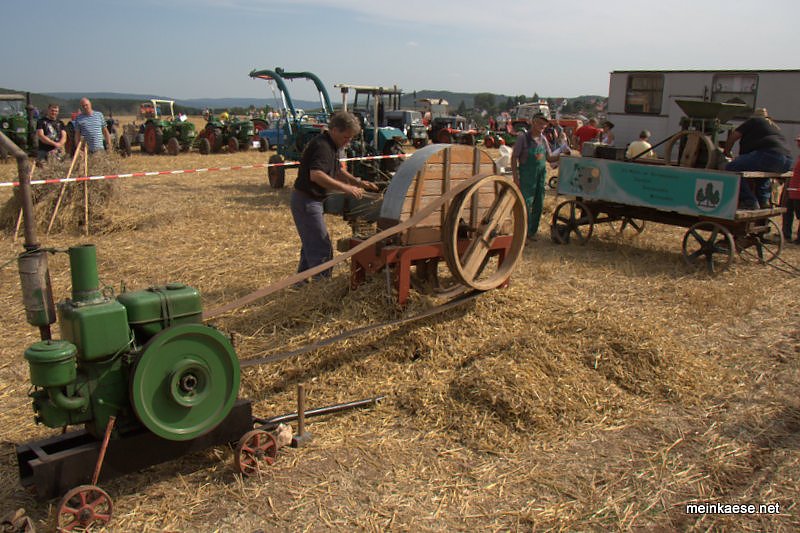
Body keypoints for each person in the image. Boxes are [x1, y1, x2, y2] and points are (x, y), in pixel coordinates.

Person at [291, 111, 379, 278]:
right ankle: (321, 287)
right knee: (321, 249)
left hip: (309, 200)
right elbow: (316, 174)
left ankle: (300, 284)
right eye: (346, 137)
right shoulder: (322, 146)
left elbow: (336, 170)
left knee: (311, 245)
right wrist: (346, 189)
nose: (348, 142)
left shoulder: (330, 145)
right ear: (335, 130)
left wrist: (358, 183)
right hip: (306, 201)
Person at [511, 112, 570, 241]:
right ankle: (522, 233)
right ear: (533, 122)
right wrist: (516, 177)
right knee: (525, 204)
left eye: (544, 123)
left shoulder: (543, 139)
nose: (542, 125)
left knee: (539, 204)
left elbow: (549, 158)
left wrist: (562, 155)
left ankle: (531, 232)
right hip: (527, 175)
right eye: (539, 122)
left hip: (541, 175)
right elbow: (514, 157)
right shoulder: (523, 138)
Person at [723, 108, 792, 209]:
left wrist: (726, 152)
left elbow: (734, 136)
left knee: (731, 168)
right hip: (787, 161)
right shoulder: (774, 126)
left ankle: (749, 201)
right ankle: (764, 201)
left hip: (770, 155)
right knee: (761, 174)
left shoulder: (754, 121)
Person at [781, 135, 800, 243]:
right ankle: (786, 234)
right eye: (798, 142)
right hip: (792, 189)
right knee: (787, 211)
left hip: (797, 191)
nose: (798, 144)